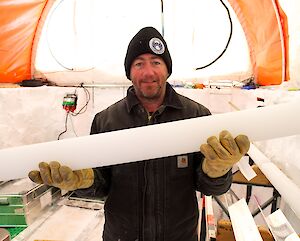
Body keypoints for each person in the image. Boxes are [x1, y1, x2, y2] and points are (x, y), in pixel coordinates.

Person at [29, 27, 250, 241]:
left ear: (167, 69)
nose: (148, 72)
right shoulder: (106, 121)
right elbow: (101, 185)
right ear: (129, 71)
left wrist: (218, 171)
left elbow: (211, 188)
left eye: (156, 62)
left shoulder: (197, 116)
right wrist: (82, 181)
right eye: (138, 64)